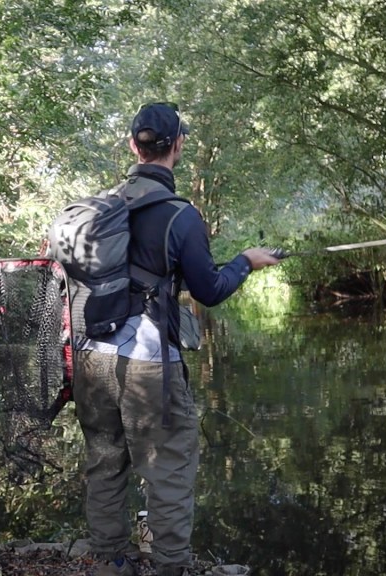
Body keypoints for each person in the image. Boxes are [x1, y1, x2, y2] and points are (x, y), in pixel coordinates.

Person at [74, 102, 281, 576]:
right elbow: (209, 291)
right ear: (179, 146)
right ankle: (168, 566)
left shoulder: (99, 208)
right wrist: (245, 261)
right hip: (148, 367)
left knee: (105, 463)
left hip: (90, 357)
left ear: (133, 145)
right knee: (167, 472)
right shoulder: (181, 216)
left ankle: (109, 562)